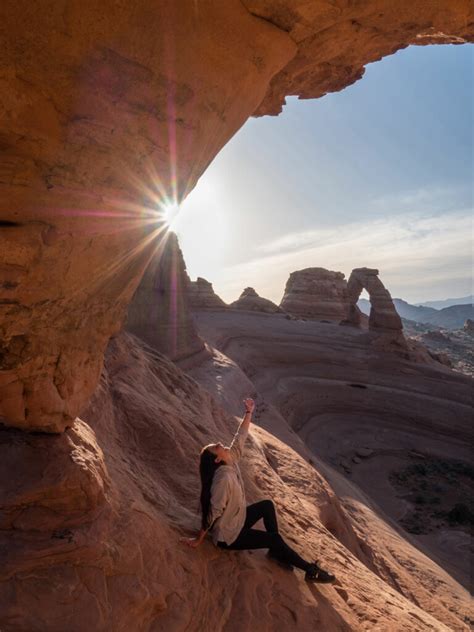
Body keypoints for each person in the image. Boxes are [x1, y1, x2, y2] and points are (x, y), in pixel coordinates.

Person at [181, 397, 336, 583]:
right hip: (229, 536)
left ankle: (275, 553)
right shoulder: (223, 478)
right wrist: (199, 539)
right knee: (274, 538)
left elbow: (240, 438)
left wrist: (248, 412)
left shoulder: (229, 459)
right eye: (217, 447)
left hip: (236, 520)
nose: (220, 445)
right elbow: (214, 510)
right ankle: (310, 570)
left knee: (267, 506)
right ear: (216, 459)